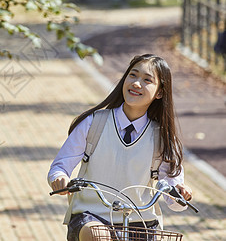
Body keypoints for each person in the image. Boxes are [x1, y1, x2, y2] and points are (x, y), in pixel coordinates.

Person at [47, 54, 193, 241]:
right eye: (133, 75)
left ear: (160, 93)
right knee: (97, 236)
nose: (136, 83)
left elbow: (174, 199)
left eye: (147, 80)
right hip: (92, 216)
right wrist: (60, 179)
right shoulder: (94, 123)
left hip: (141, 221)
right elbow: (60, 166)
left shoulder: (163, 137)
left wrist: (181, 193)